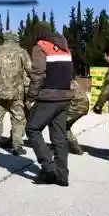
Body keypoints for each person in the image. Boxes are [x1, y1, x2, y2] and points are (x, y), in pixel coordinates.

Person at [24, 23, 75, 186]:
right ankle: (62, 175)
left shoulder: (40, 46)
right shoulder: (63, 46)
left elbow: (38, 74)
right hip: (65, 95)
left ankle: (49, 168)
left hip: (49, 96)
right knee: (59, 137)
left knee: (32, 128)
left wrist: (31, 96)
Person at [0, 31, 31, 155]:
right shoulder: (22, 52)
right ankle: (17, 146)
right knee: (17, 119)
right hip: (16, 93)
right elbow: (30, 70)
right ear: (15, 38)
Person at [65, 78, 90, 156]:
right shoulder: (68, 79)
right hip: (82, 105)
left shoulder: (61, 81)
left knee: (58, 124)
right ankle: (75, 148)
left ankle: (74, 149)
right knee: (64, 125)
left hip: (77, 106)